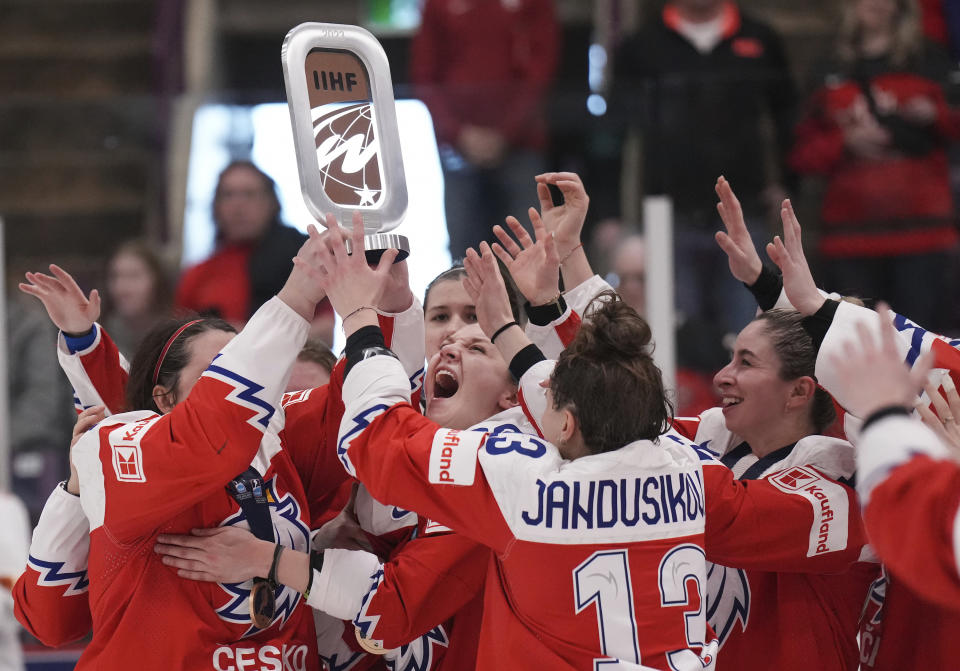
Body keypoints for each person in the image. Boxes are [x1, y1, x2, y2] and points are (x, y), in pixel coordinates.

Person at [309, 209, 866, 668]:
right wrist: (523, 323)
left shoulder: (516, 479)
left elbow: (377, 440)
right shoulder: (689, 472)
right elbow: (620, 388)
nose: (722, 375)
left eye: (745, 362)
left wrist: (359, 315)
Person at [14, 228, 336, 668]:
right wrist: (299, 294)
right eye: (217, 374)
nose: (238, 385)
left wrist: (380, 301)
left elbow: (367, 408)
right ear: (164, 400)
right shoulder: (131, 447)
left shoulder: (276, 438)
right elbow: (189, 432)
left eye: (240, 366)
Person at [612, 0, 797, 334]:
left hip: (745, 214)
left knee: (750, 332)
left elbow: (788, 120)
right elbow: (613, 132)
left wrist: (789, 183)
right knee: (676, 336)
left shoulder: (760, 38)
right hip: (667, 214)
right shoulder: (643, 45)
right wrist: (609, 211)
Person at [789, 0, 960, 330]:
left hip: (923, 235)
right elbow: (802, 154)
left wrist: (931, 115)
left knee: (925, 350)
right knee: (851, 347)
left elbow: (953, 127)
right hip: (850, 239)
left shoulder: (931, 61)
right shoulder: (828, 68)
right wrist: (845, 141)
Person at [410, 0, 559, 258]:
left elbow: (542, 68)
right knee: (464, 255)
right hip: (459, 150)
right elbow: (425, 74)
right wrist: (458, 133)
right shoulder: (438, 5)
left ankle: (530, 300)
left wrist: (506, 131)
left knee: (528, 248)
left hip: (521, 146)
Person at [175, 160, 334, 341]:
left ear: (270, 202)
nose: (238, 205)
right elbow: (178, 344)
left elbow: (325, 333)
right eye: (228, 195)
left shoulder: (301, 259)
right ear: (216, 205)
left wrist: (245, 337)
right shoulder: (198, 275)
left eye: (249, 194)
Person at [103, 240, 173, 358]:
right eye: (115, 276)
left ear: (157, 281)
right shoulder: (97, 339)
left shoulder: (178, 338)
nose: (121, 288)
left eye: (134, 276)